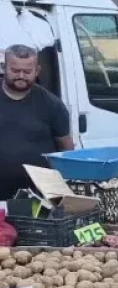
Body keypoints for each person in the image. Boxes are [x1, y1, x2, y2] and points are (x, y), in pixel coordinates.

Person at [0, 44, 73, 199]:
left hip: (38, 199)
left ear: (37, 71)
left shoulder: (53, 105)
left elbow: (67, 153)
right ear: (4, 67)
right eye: (15, 70)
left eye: (27, 71)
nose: (21, 76)